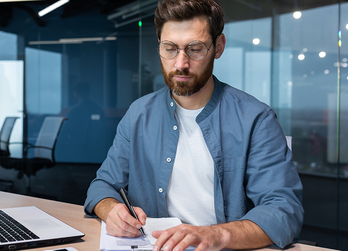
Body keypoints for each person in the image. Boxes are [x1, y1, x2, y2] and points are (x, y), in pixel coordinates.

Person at [84, 0, 304, 250]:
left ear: (218, 47)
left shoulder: (256, 119)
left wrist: (215, 236)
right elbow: (102, 186)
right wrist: (111, 209)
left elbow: (284, 210)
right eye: (169, 48)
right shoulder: (138, 114)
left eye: (195, 49)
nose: (181, 63)